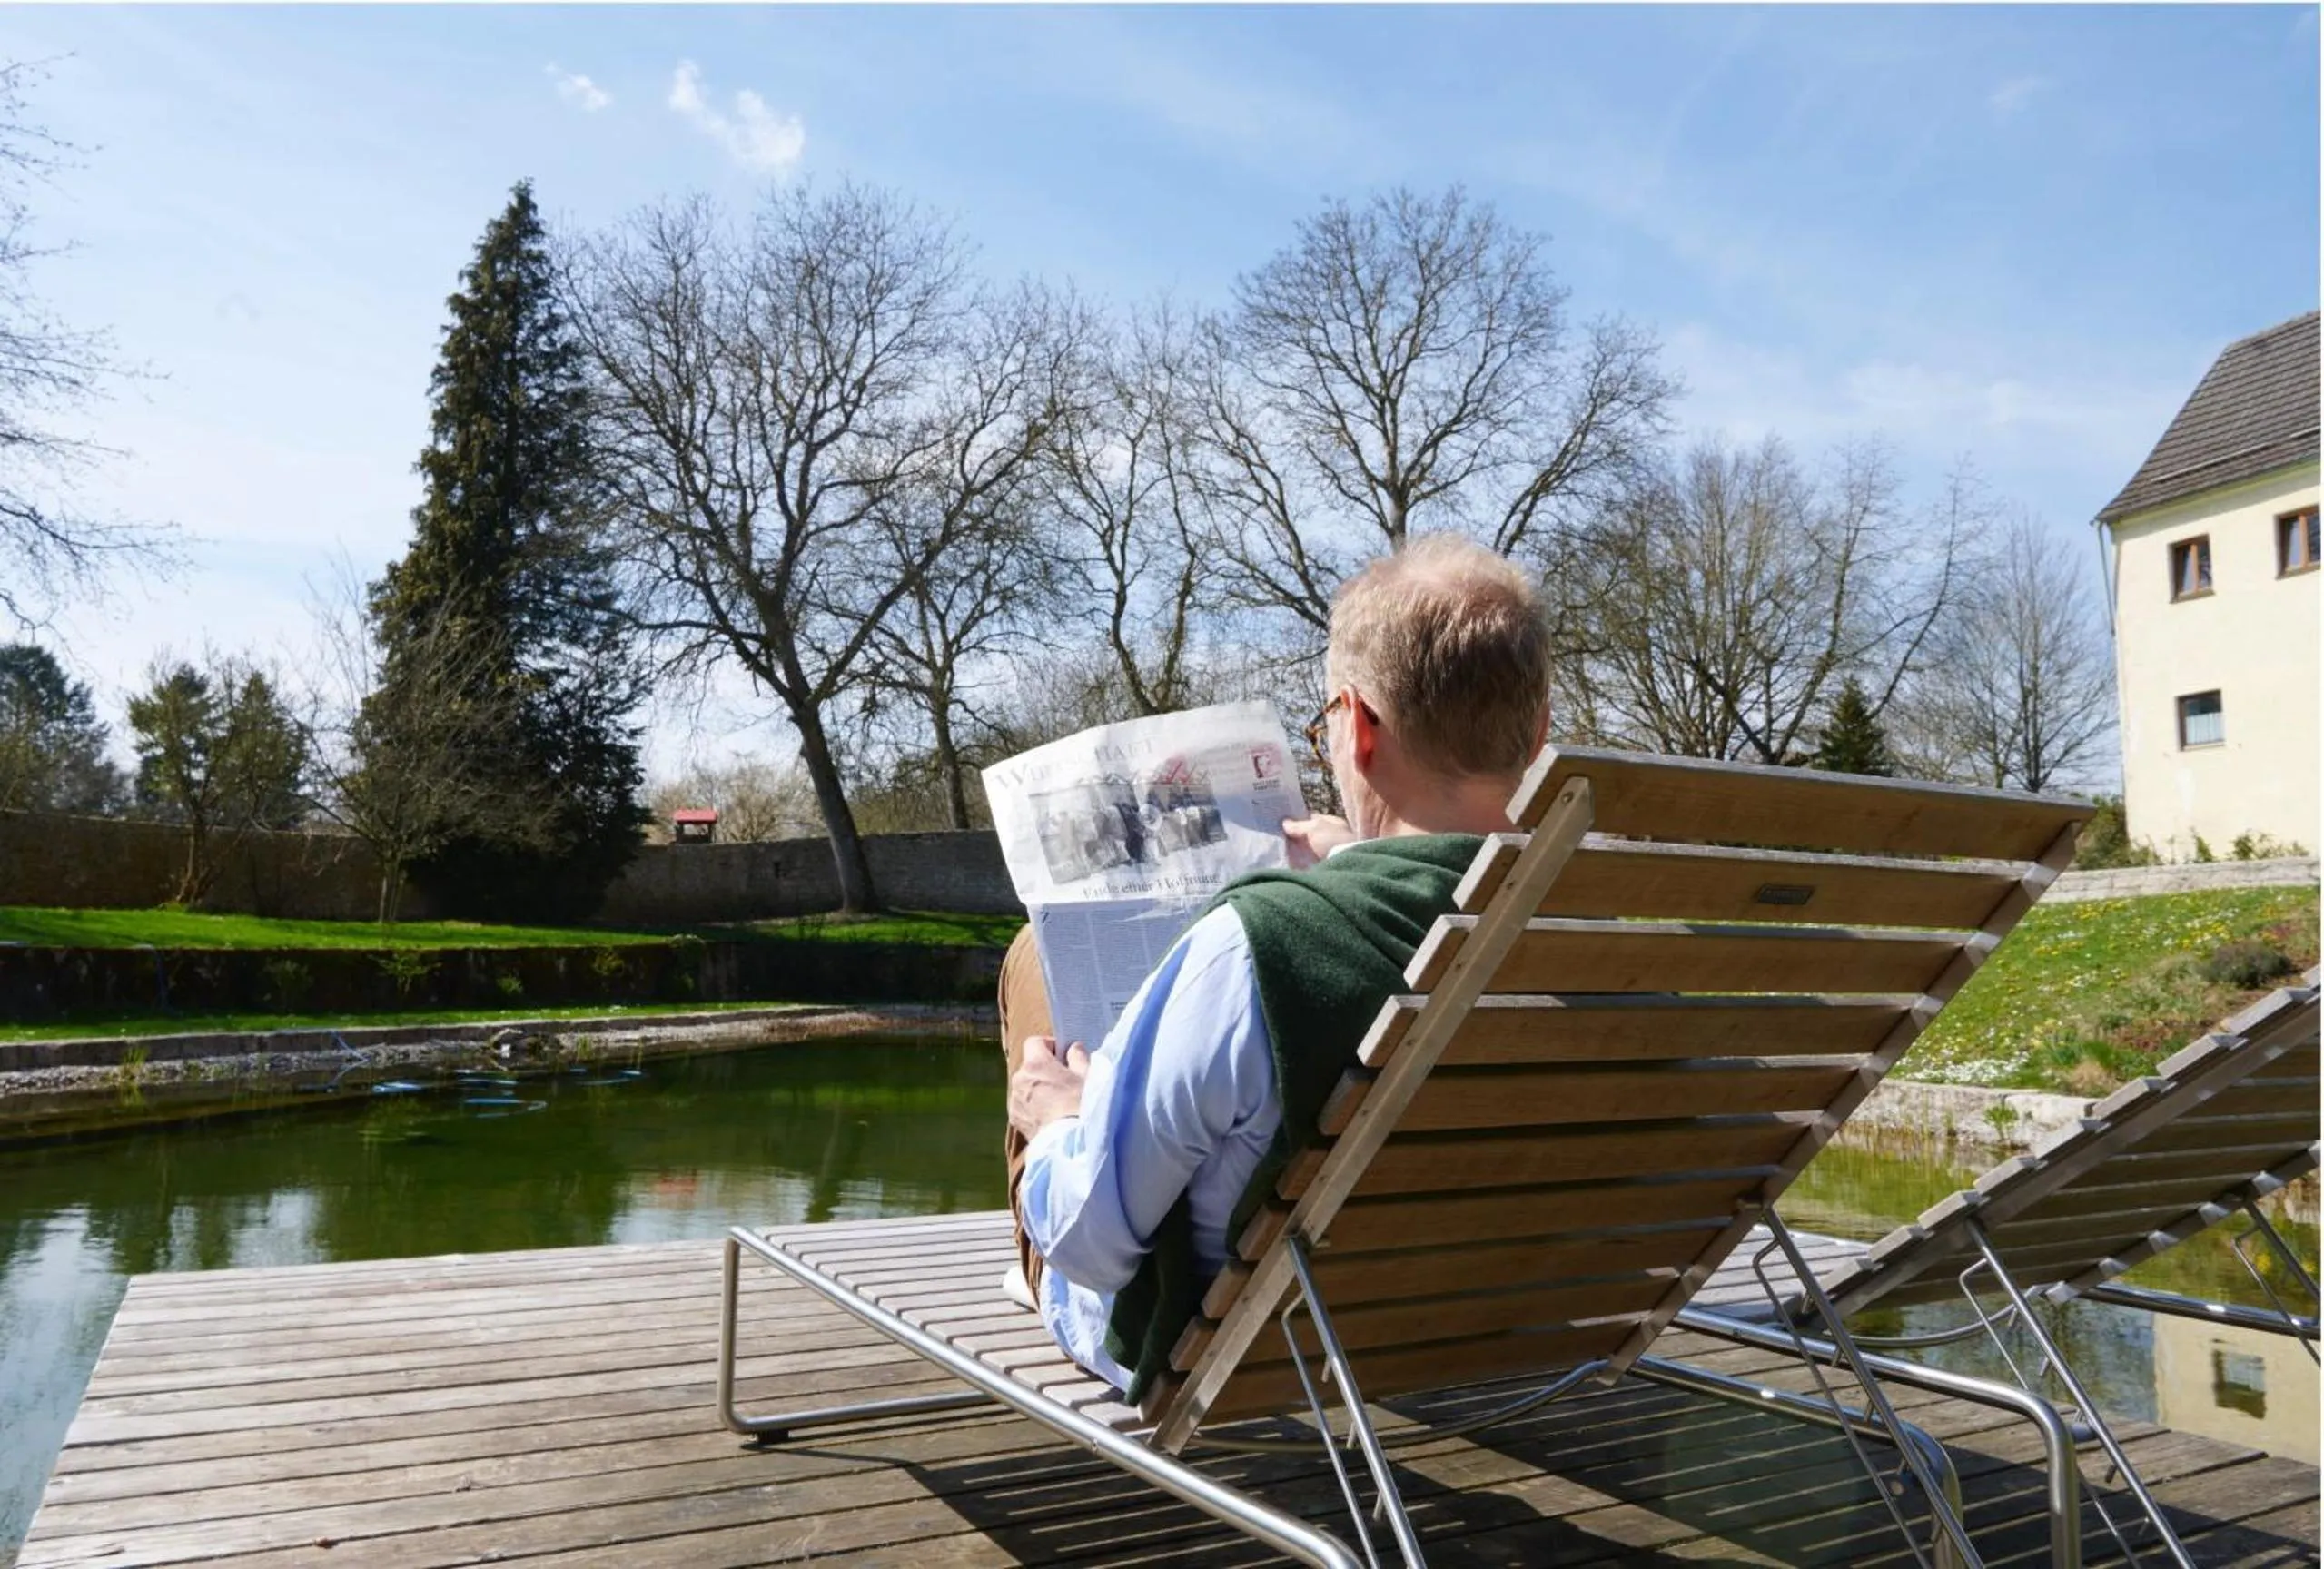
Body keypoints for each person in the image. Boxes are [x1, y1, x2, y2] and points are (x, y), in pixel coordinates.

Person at [997, 533, 1555, 1403]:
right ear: (1538, 731)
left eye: (1326, 723)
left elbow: (1091, 1242)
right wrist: (1353, 867)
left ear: (1360, 725)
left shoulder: (1260, 943)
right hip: (1492, 1330)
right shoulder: (1588, 918)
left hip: (1256, 1352)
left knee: (1031, 961)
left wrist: (1061, 1123)